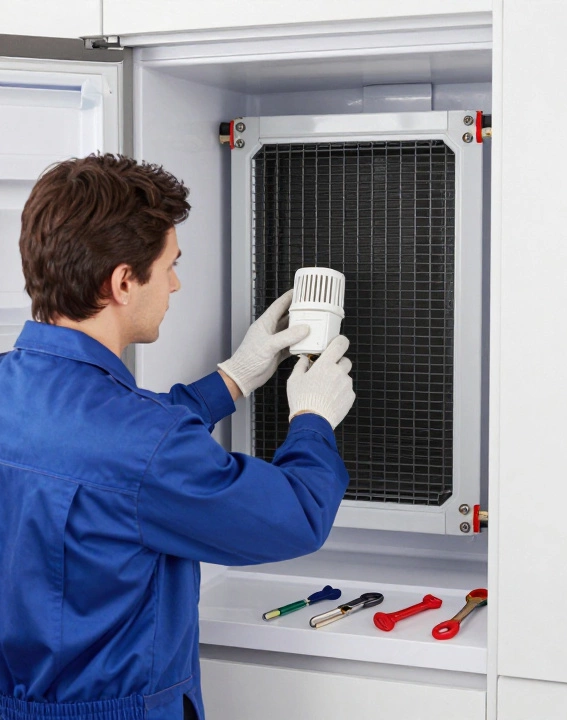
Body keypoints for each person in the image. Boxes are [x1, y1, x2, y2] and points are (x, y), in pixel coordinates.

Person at [0, 154, 357, 720]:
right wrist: (313, 418)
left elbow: (103, 445)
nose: (175, 283)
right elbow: (297, 515)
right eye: (169, 266)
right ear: (123, 282)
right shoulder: (144, 444)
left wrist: (234, 377)